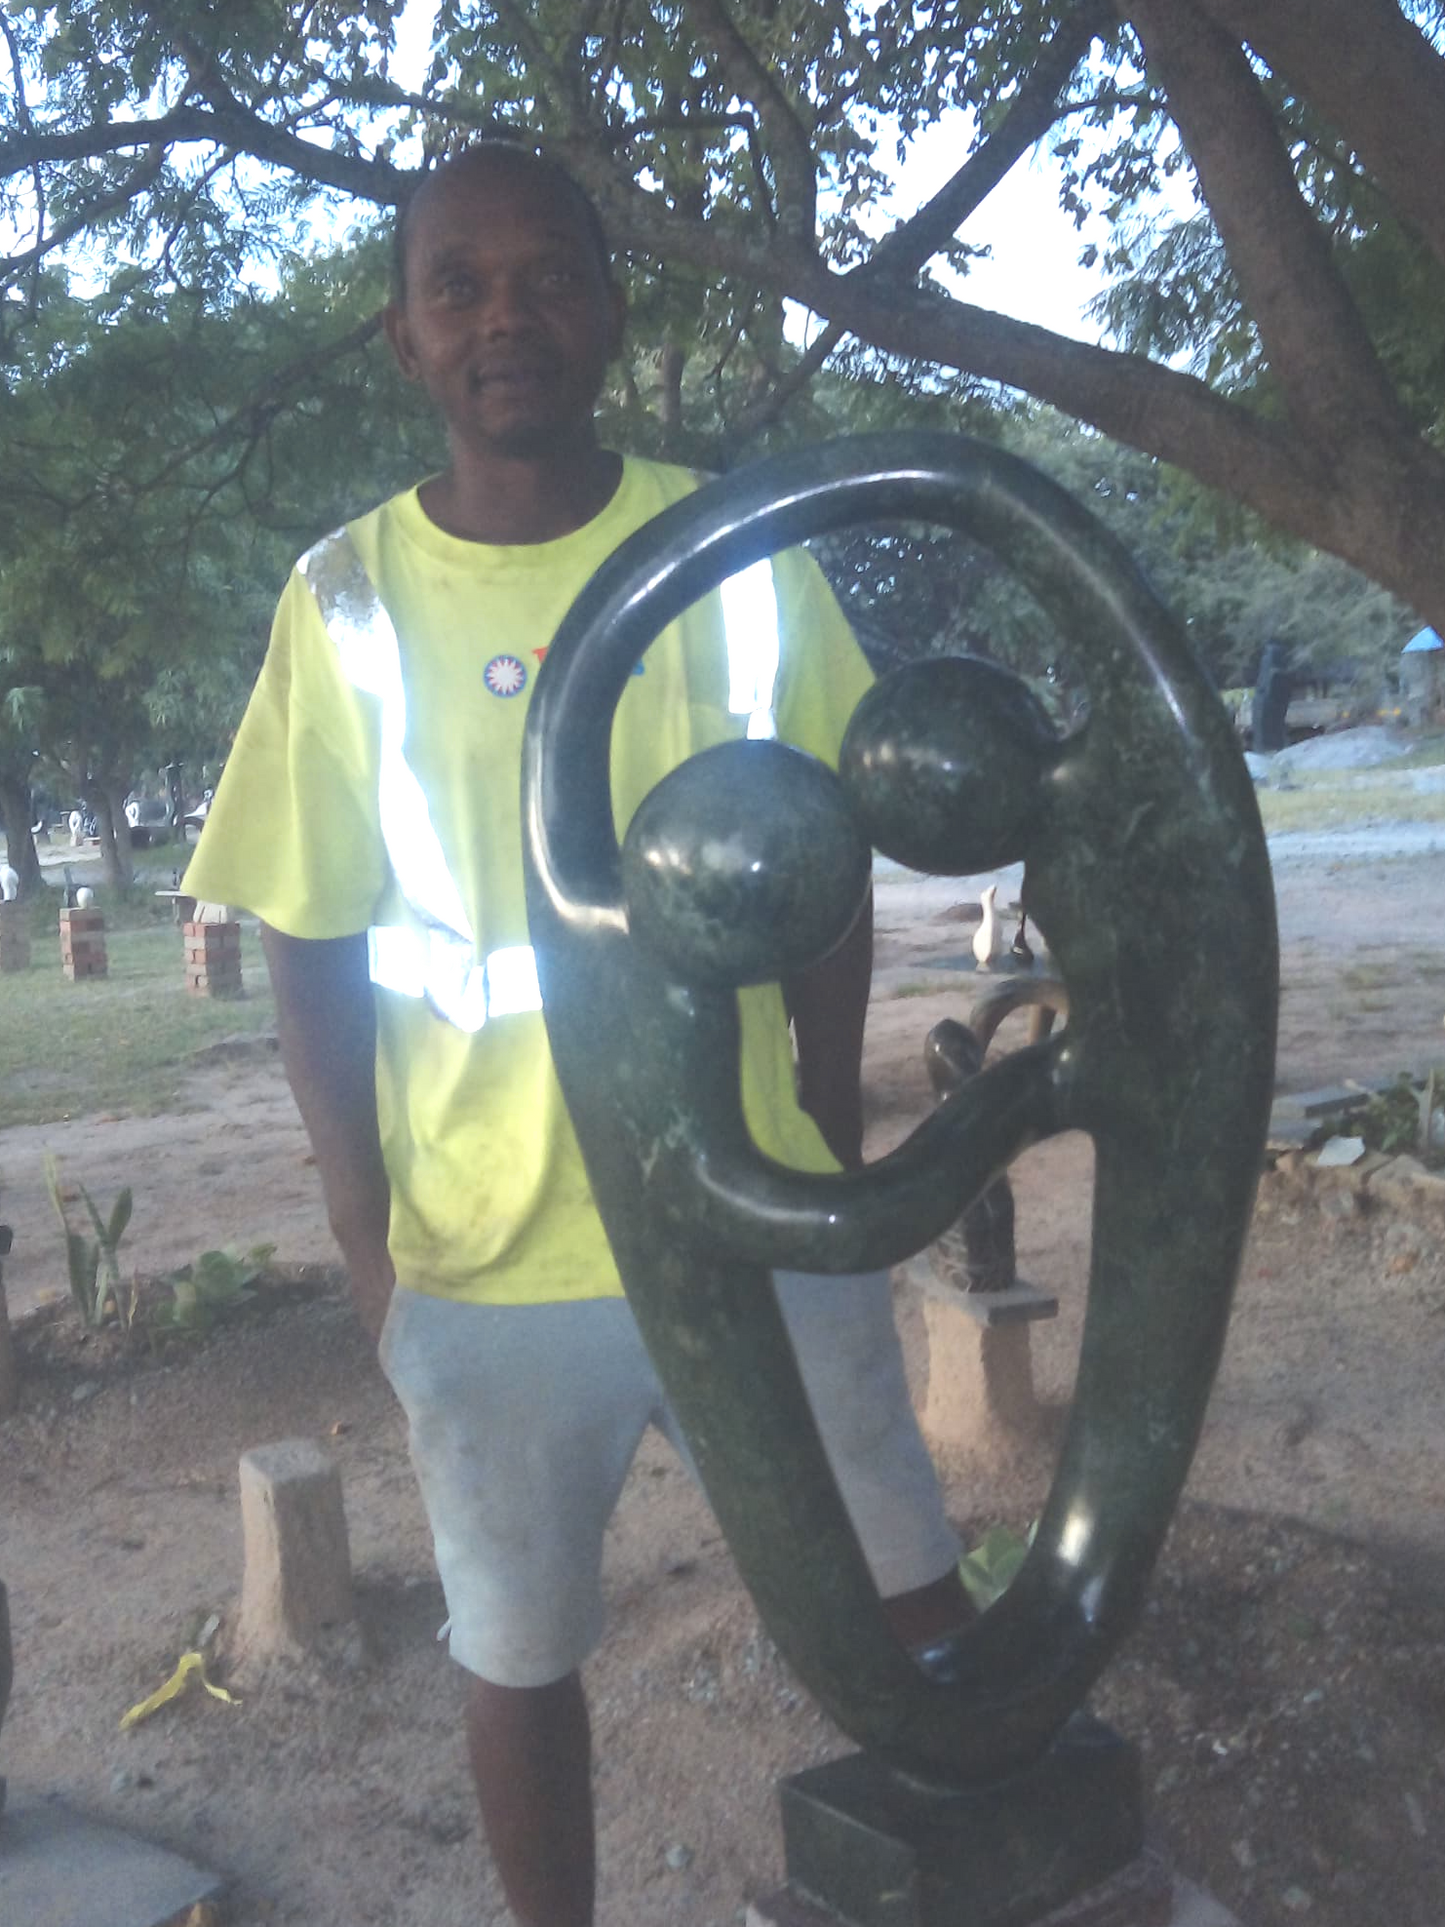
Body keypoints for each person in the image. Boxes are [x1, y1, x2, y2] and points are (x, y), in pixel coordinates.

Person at [184, 139, 969, 1927]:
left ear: (610, 309)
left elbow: (838, 858)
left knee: (906, 1593)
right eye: (458, 283)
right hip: (488, 1261)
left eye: (545, 274)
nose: (504, 314)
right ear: (404, 337)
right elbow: (305, 938)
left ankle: (979, 1873)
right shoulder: (346, 605)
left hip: (756, 1220)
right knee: (517, 1659)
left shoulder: (740, 559)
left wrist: (823, 1138)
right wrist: (365, 1237)